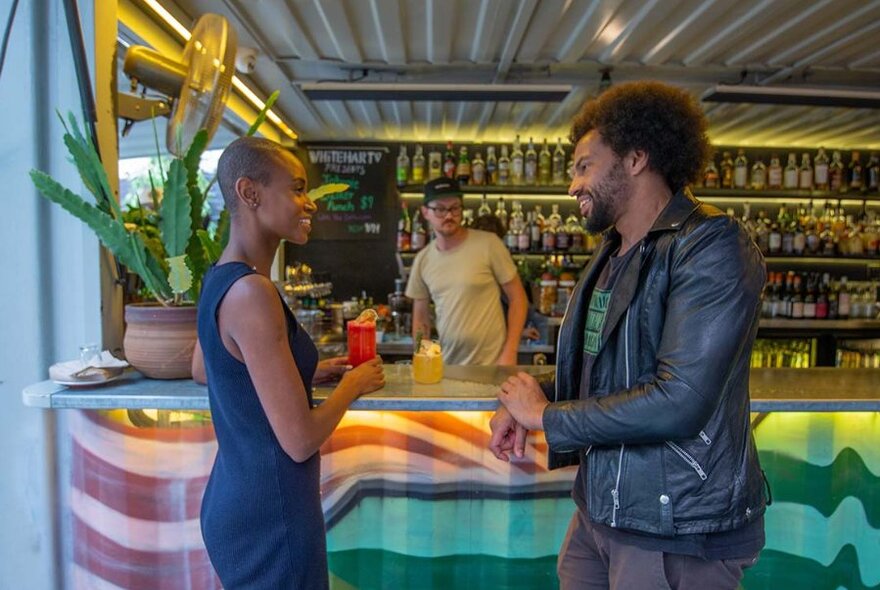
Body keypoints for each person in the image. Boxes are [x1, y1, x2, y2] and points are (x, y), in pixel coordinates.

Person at [490, 81, 769, 590]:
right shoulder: (612, 254)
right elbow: (607, 370)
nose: (572, 186)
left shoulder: (710, 244)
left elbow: (680, 400)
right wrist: (529, 399)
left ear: (636, 157)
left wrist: (546, 416)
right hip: (602, 510)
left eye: (583, 166)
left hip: (674, 524)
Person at [192, 137, 385, 589]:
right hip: (273, 515)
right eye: (297, 189)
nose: (309, 203)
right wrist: (352, 384)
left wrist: (294, 370)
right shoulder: (253, 293)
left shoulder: (222, 276)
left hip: (236, 500)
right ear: (250, 192)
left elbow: (208, 367)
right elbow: (299, 441)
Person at [405, 177, 528, 365]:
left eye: (455, 208)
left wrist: (509, 352)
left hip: (492, 365)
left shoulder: (489, 244)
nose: (448, 215)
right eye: (439, 209)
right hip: (447, 367)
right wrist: (423, 357)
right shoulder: (423, 260)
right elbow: (421, 319)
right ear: (425, 212)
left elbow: (518, 299)